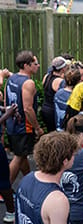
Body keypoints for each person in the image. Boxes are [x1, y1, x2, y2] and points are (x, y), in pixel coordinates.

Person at [4, 50, 44, 185]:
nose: (37, 66)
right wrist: (37, 128)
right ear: (27, 65)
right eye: (35, 63)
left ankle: (30, 181)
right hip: (22, 127)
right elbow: (28, 109)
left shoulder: (11, 78)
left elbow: (5, 101)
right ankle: (5, 188)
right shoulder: (28, 83)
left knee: (22, 155)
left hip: (11, 124)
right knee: (19, 157)